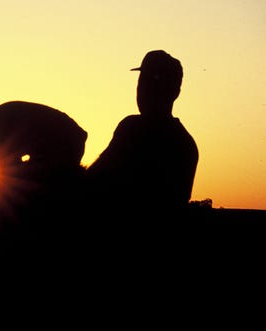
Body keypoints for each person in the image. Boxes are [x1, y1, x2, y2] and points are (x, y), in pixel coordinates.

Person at [85, 50, 199, 212]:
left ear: (175, 92)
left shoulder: (133, 129)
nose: (144, 89)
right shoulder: (187, 145)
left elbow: (92, 183)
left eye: (154, 81)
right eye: (143, 81)